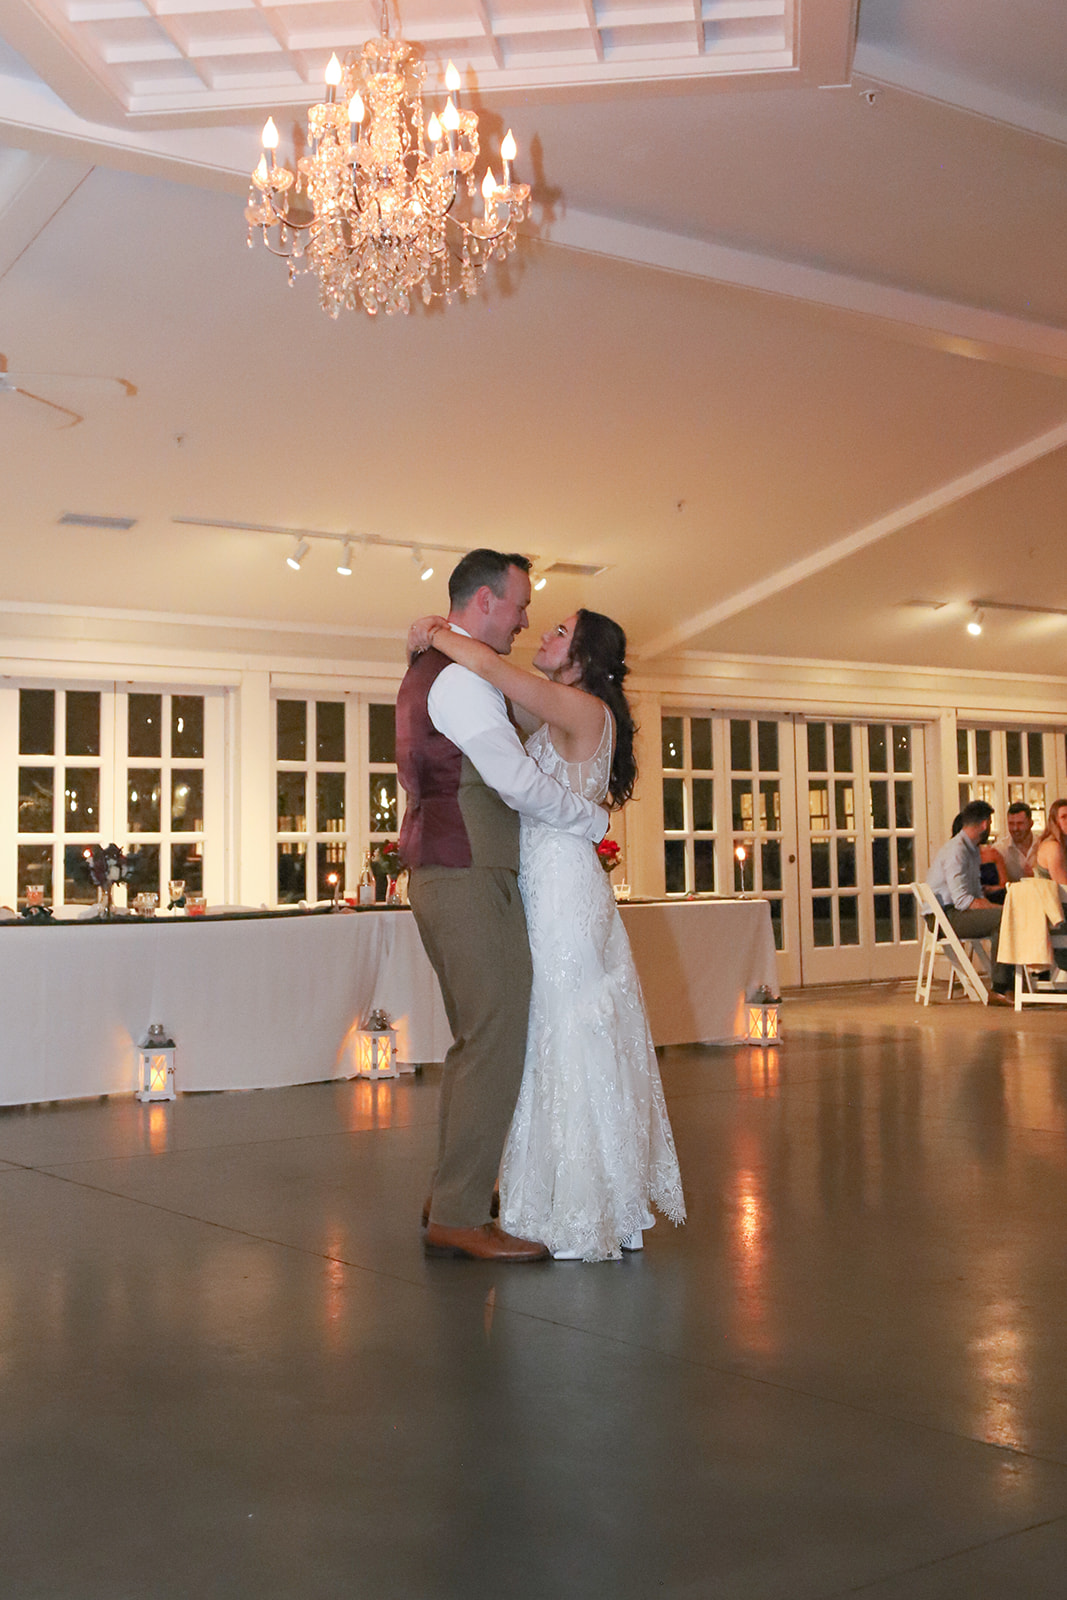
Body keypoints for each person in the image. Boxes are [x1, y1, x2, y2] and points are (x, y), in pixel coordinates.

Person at [409, 605, 686, 1262]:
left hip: (561, 884)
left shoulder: (580, 708)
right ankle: (529, 1190)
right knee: (541, 1030)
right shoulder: (560, 711)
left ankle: (577, 1204)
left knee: (564, 1026)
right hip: (539, 878)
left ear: (582, 656)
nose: (543, 633)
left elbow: (488, 668)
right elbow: (487, 710)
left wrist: (436, 634)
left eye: (559, 632)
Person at [396, 550, 609, 1264]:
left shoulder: (439, 666)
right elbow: (513, 779)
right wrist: (589, 820)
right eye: (519, 605)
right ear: (485, 600)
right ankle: (459, 1213)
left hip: (446, 868)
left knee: (476, 1038)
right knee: (494, 1034)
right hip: (467, 871)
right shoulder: (460, 678)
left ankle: (450, 1194)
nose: (523, 619)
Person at [926, 799, 1013, 1004]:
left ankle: (1008, 983)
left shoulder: (970, 849)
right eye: (990, 822)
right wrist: (999, 908)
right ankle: (1001, 988)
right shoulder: (957, 851)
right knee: (1005, 918)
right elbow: (963, 901)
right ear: (984, 824)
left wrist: (994, 906)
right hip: (944, 916)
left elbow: (975, 892)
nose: (990, 827)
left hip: (952, 912)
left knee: (1006, 915)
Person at [996, 802, 1037, 882]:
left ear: (1031, 823)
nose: (1015, 828)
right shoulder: (1000, 850)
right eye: (1011, 824)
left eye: (1020, 823)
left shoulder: (1043, 846)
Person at [1034, 799, 1067, 886]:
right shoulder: (1052, 846)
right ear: (1055, 821)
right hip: (1053, 894)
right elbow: (1063, 885)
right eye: (1063, 817)